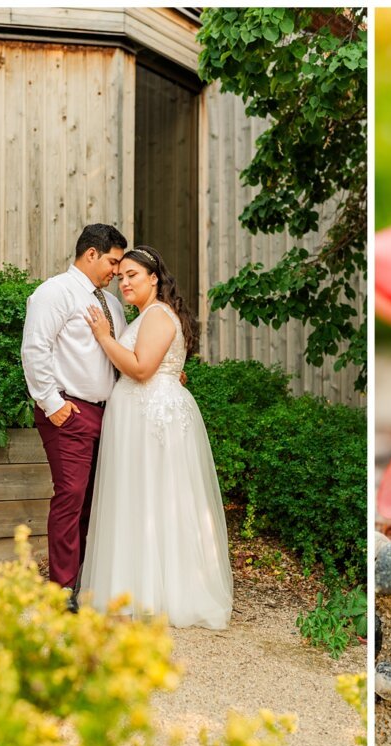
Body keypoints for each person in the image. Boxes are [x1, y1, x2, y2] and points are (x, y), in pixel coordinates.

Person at [79, 245, 233, 629]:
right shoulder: (150, 316)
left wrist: (102, 336)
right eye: (121, 276)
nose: (125, 282)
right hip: (144, 414)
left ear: (154, 278)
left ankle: (160, 594)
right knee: (142, 501)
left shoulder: (158, 315)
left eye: (133, 275)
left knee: (155, 499)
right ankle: (138, 588)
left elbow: (142, 368)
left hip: (152, 416)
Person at [21, 223, 128, 613]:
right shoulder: (54, 293)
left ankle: (85, 578)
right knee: (70, 498)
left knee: (94, 502)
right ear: (92, 254)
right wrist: (53, 404)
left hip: (107, 415)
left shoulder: (111, 305)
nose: (116, 271)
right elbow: (35, 349)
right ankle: (62, 589)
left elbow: (121, 353)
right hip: (69, 411)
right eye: (113, 262)